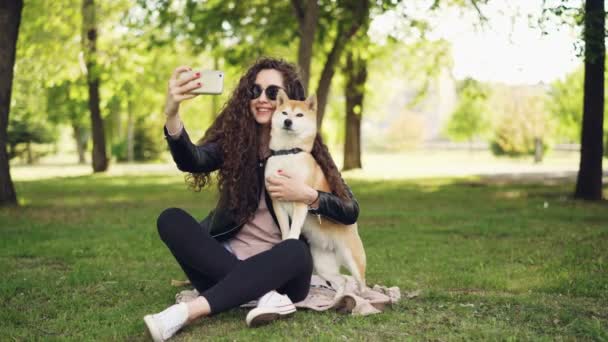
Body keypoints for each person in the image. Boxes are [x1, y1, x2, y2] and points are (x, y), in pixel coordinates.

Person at [144, 57, 359, 341]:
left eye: (272, 92)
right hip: (223, 263)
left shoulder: (308, 149)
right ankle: (261, 294)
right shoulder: (234, 141)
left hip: (284, 271)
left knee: (294, 249)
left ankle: (187, 312)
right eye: (254, 91)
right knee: (170, 219)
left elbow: (349, 209)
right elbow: (192, 160)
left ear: (287, 99)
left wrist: (307, 195)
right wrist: (172, 114)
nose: (261, 99)